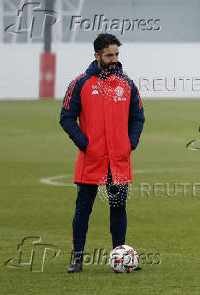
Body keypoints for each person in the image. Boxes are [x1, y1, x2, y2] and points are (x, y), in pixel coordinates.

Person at [59, 33, 145, 273]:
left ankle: (122, 256)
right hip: (92, 159)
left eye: (116, 54)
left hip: (118, 160)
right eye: (109, 55)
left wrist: (130, 143)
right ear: (96, 55)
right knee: (83, 209)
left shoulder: (126, 83)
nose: (114, 59)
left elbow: (138, 117)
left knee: (118, 208)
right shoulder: (80, 83)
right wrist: (86, 145)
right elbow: (66, 117)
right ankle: (77, 259)